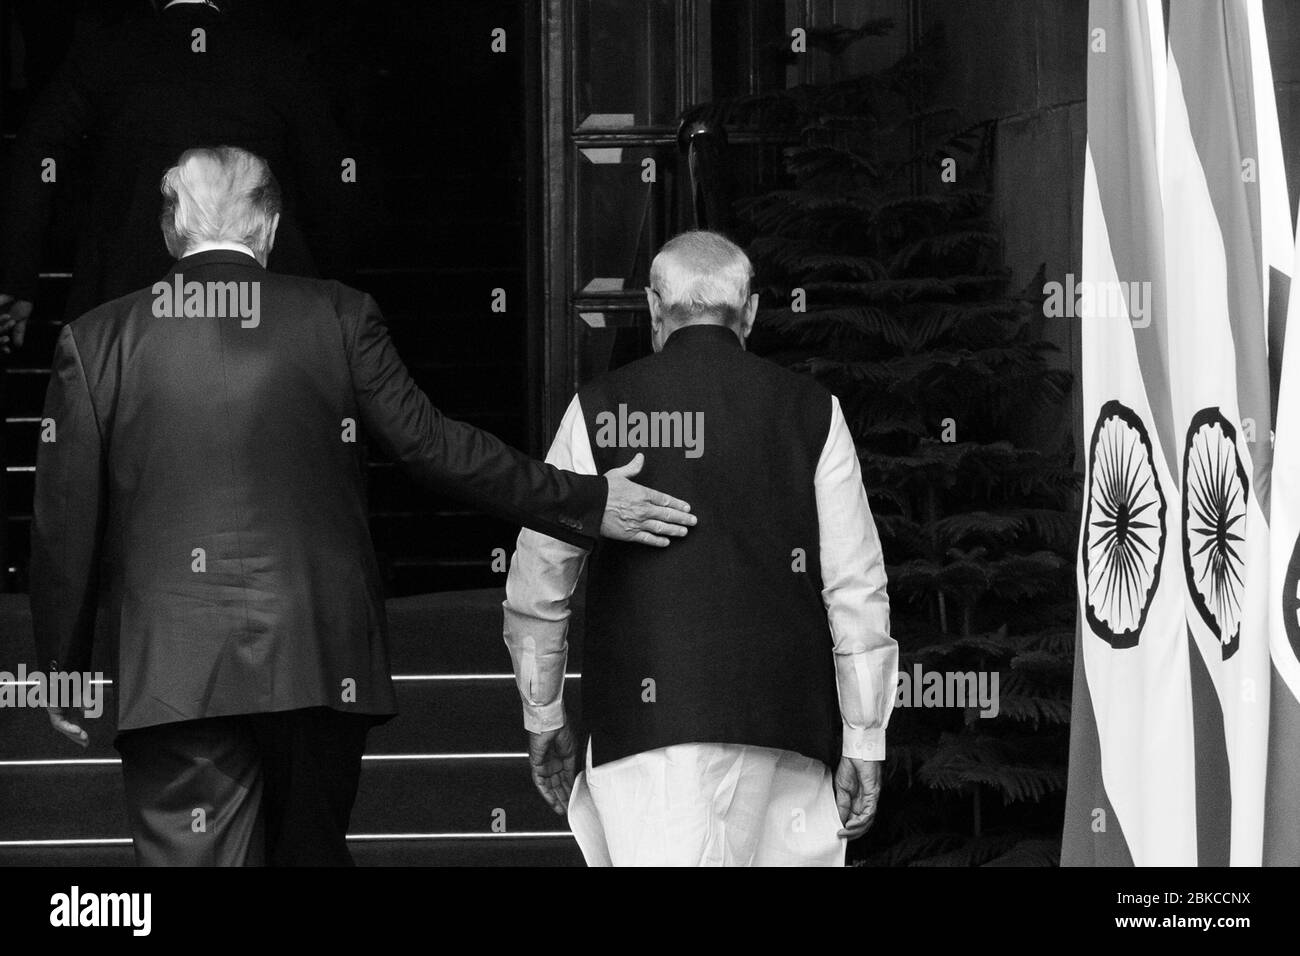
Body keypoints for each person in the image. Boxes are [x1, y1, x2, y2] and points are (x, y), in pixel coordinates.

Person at [30, 146, 696, 867]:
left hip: (173, 673)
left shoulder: (95, 342)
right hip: (318, 659)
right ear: (271, 227)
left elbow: (63, 524)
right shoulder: (337, 316)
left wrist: (60, 667)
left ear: (170, 232)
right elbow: (436, 448)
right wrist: (587, 499)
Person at [503, 230, 896, 866]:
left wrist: (543, 712)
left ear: (654, 309)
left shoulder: (600, 410)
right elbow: (856, 585)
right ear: (751, 312)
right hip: (785, 729)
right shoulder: (813, 410)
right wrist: (865, 733)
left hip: (644, 731)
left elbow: (539, 580)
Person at [0, 0, 361, 355]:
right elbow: (332, 178)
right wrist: (334, 290)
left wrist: (19, 276)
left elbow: (37, 150)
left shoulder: (106, 53)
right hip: (266, 299)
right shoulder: (277, 56)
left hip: (129, 294)